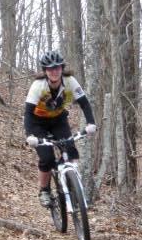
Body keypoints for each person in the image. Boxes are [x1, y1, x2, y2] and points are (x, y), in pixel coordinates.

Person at [24, 50, 96, 207]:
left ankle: (76, 188)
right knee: (47, 158)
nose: (54, 71)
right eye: (50, 69)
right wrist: (30, 135)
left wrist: (91, 123)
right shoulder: (38, 86)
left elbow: (84, 103)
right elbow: (28, 113)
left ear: (62, 68)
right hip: (38, 124)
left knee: (71, 150)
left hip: (58, 121)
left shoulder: (70, 81)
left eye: (57, 68)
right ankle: (44, 190)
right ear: (45, 71)